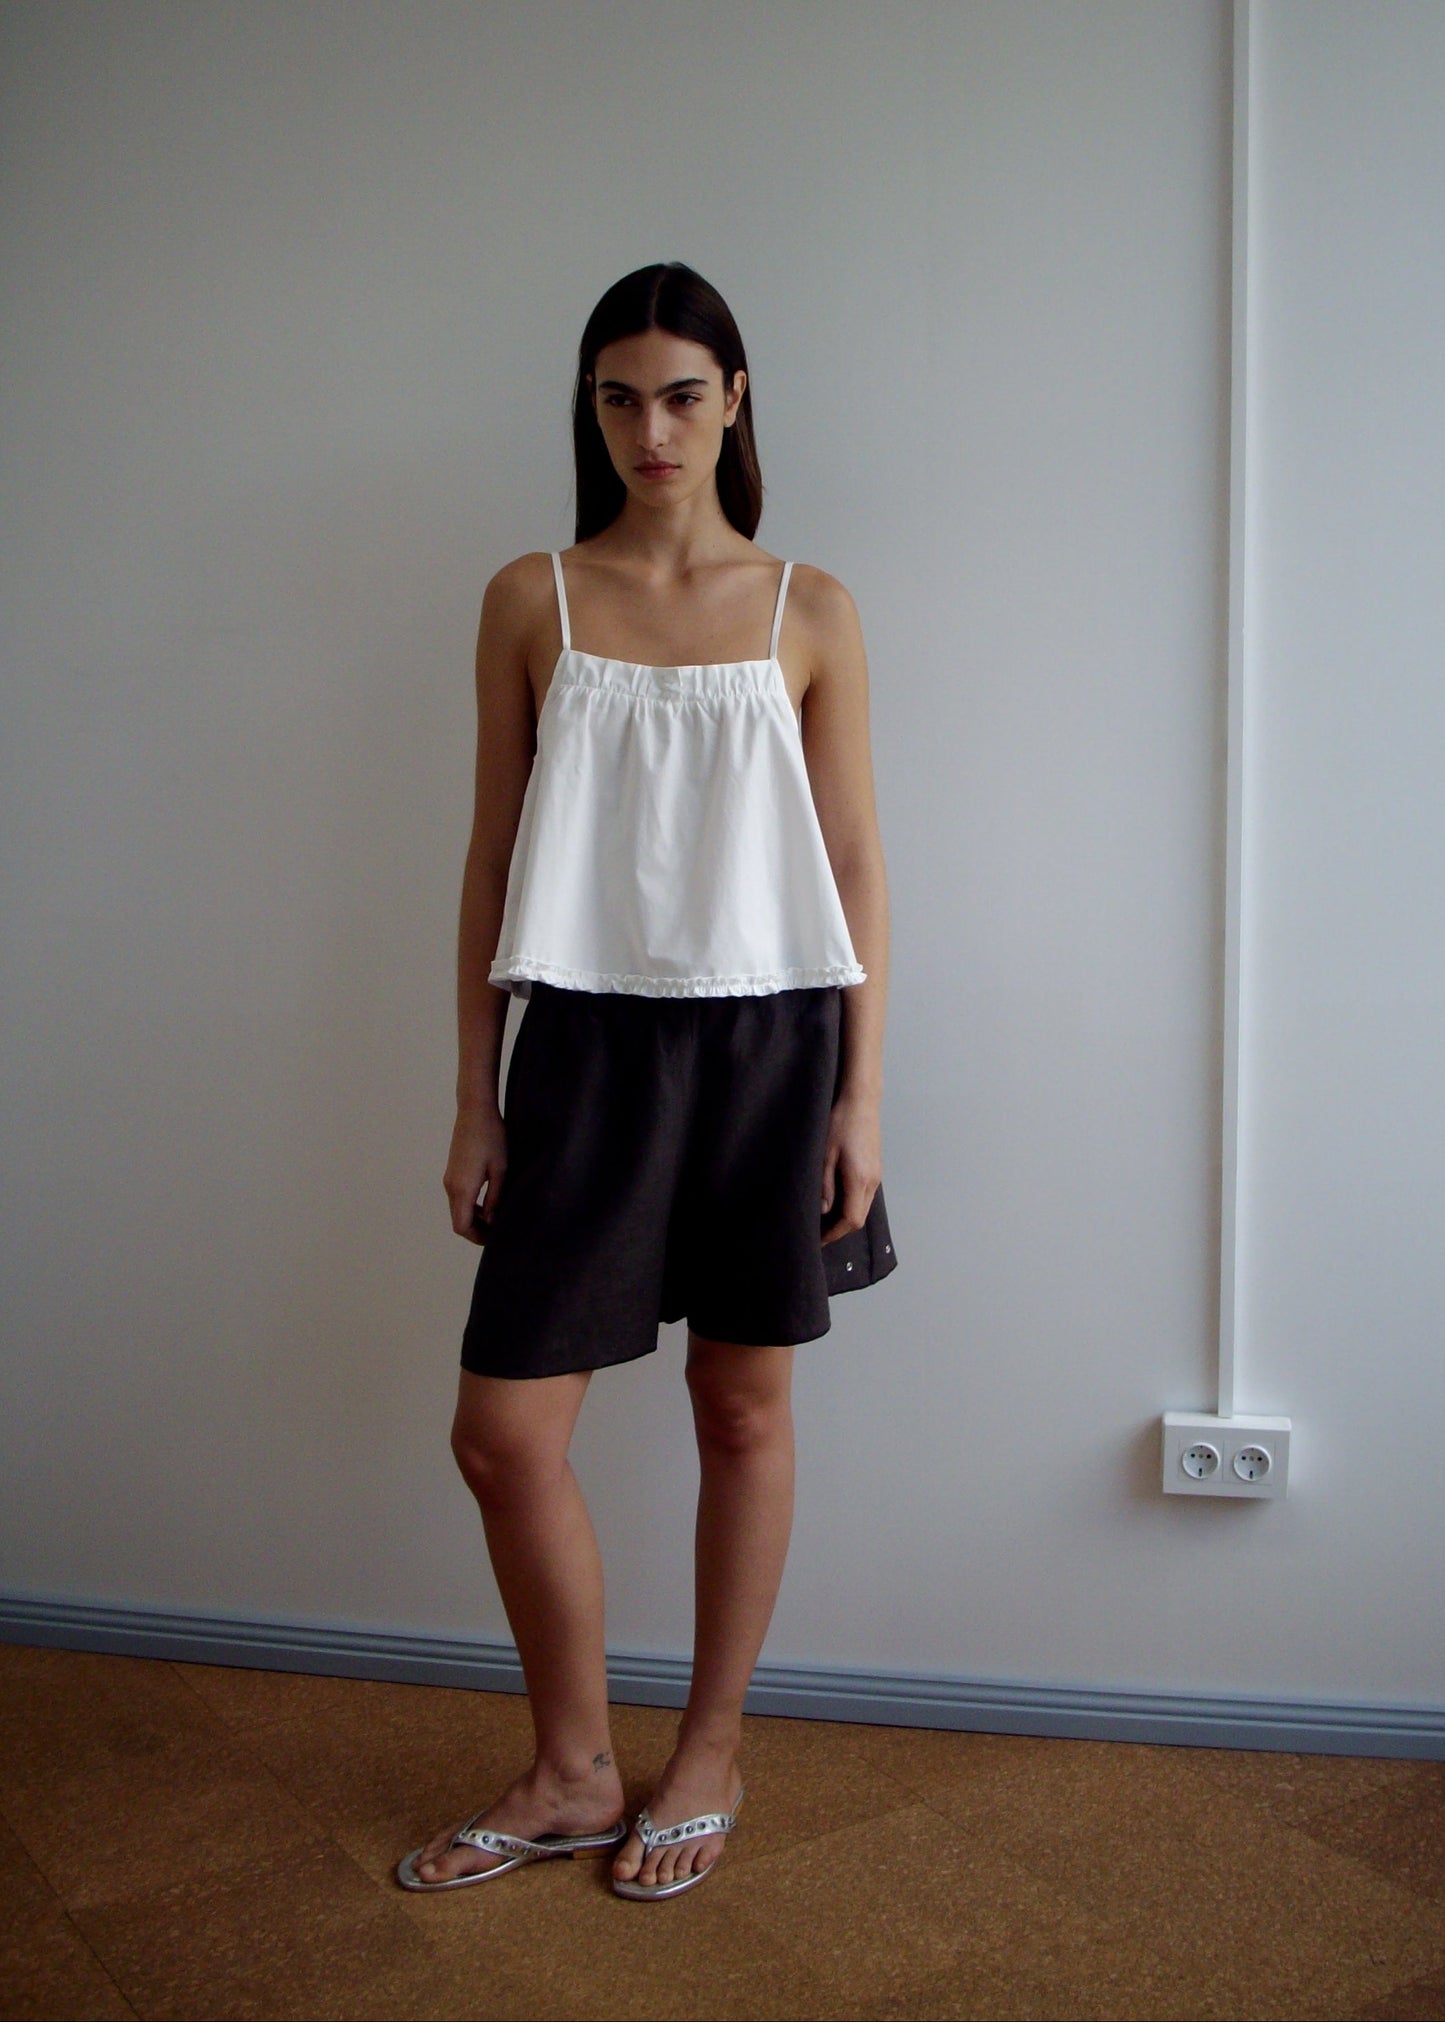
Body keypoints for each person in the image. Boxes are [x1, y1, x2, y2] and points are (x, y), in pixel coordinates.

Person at [398, 262, 896, 1903]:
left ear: (734, 398)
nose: (650, 427)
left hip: (769, 1047)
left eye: (682, 392)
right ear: (589, 409)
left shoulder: (803, 606)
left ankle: (710, 1744)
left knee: (739, 1405)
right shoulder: (530, 594)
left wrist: (859, 1098)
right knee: (502, 1431)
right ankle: (567, 1766)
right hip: (588, 1049)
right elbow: (487, 855)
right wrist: (476, 1092)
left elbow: (850, 863)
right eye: (619, 396)